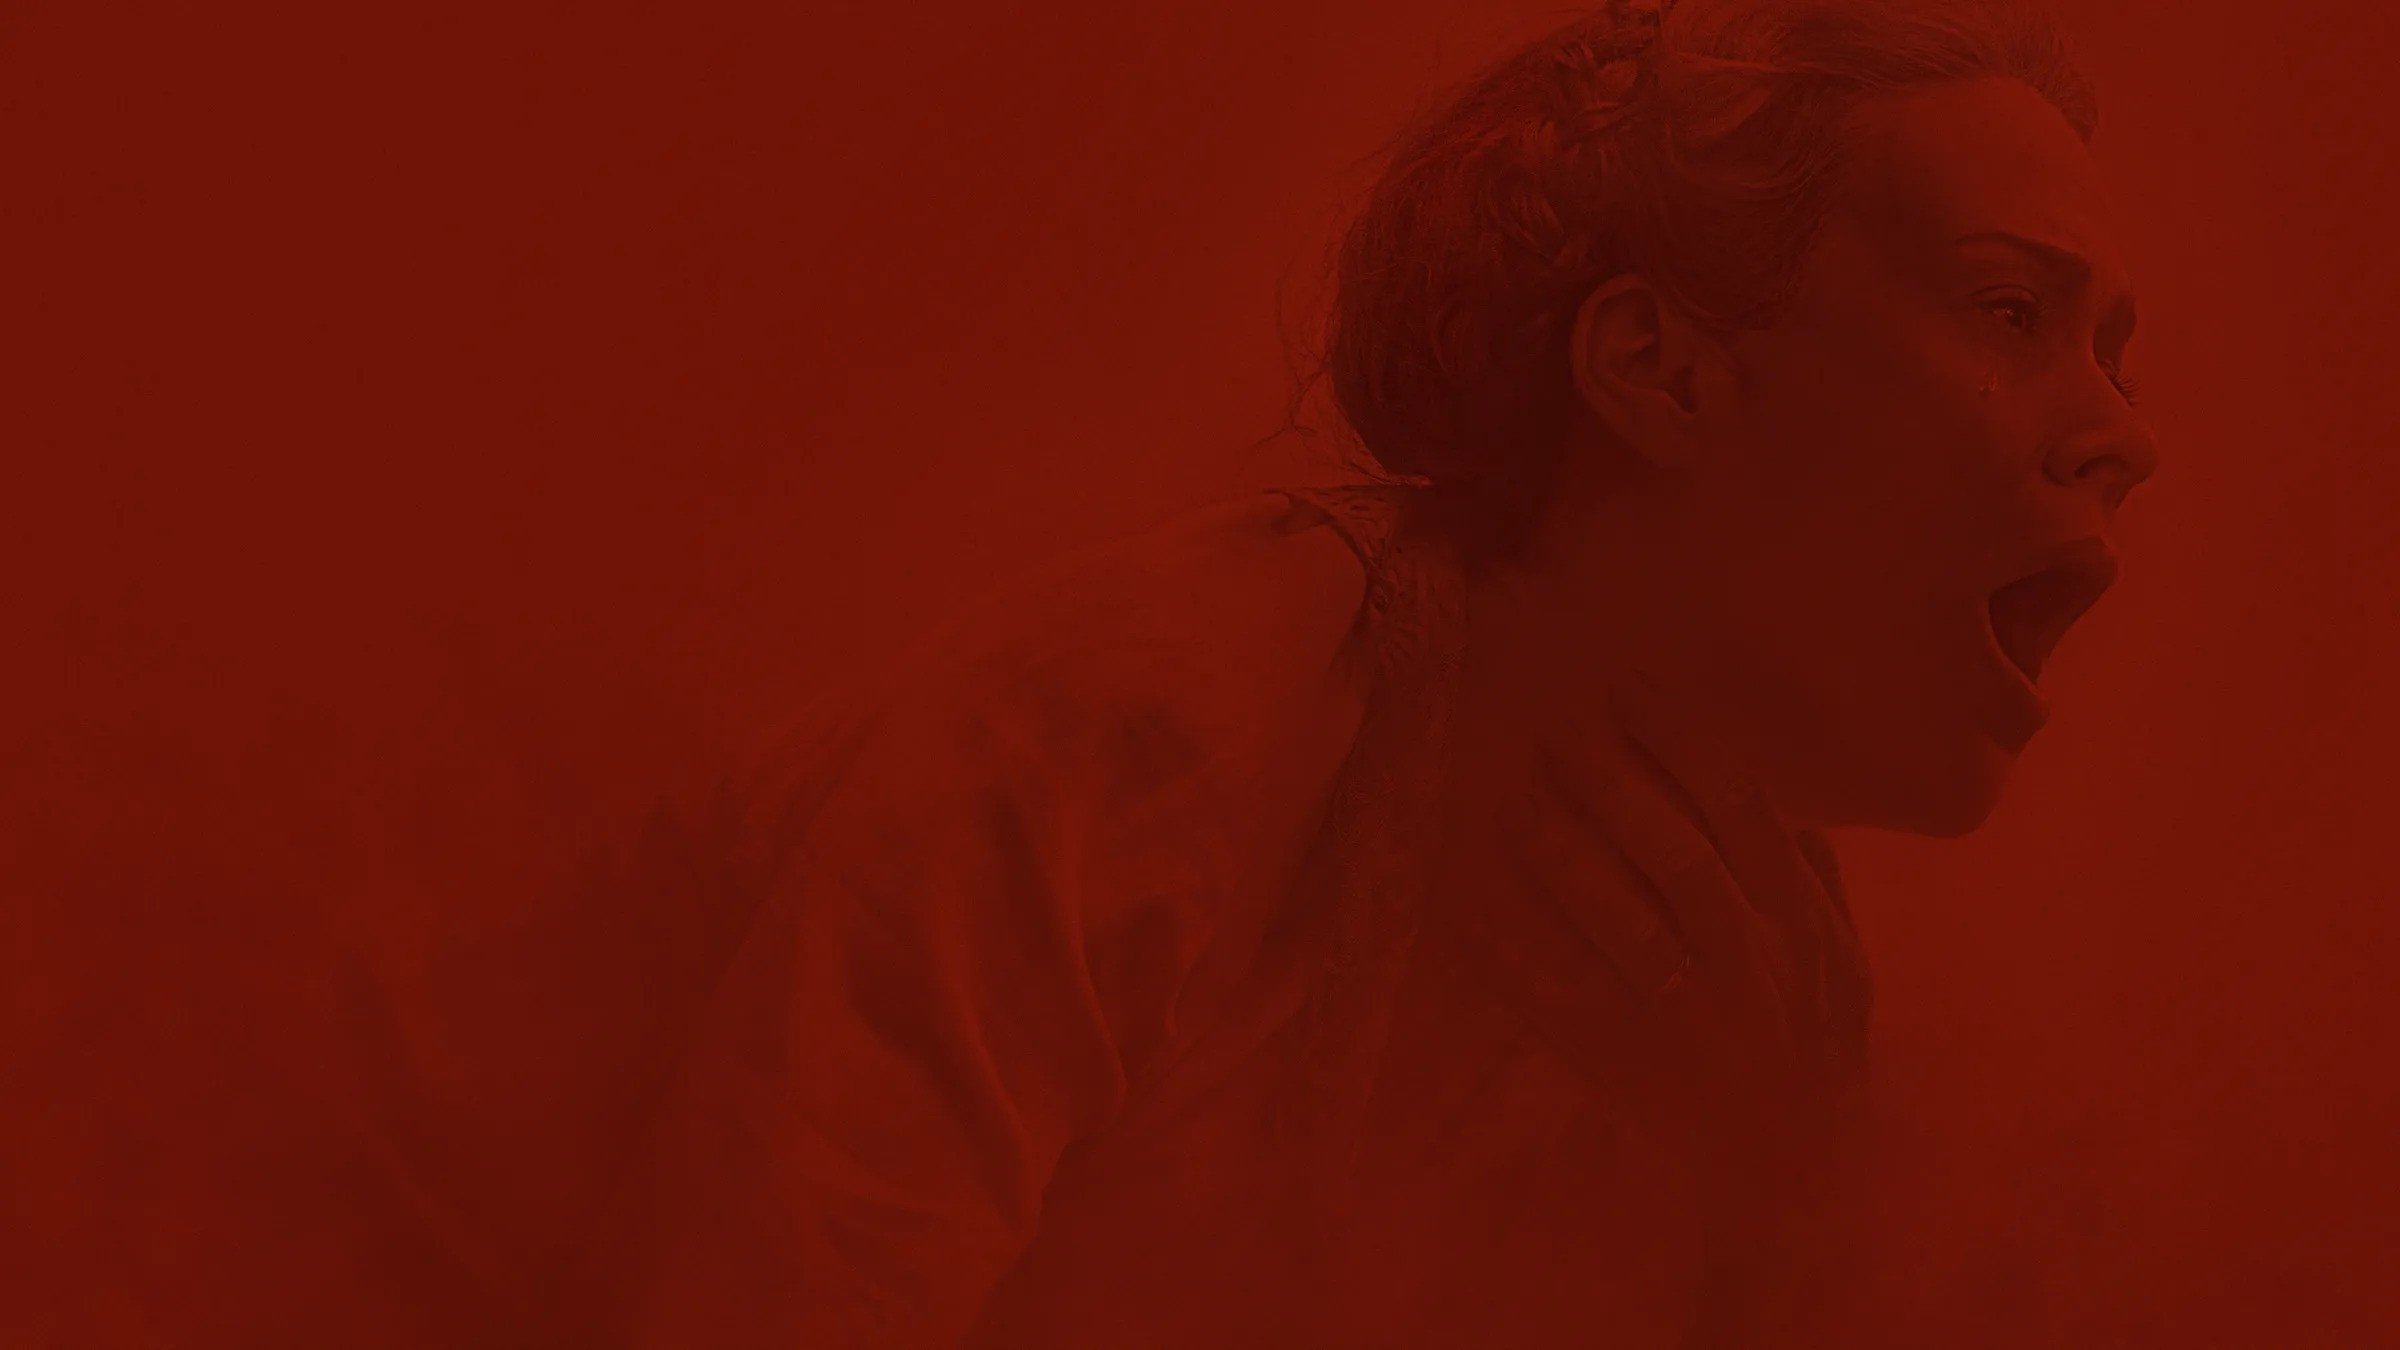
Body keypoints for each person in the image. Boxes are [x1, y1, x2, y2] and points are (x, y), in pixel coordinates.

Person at [597, 0, 2160, 1344]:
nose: (2123, 437)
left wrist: (1776, 1234)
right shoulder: (1128, 738)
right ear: (1659, 370)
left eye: (2111, 349)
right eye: (2011, 309)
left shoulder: (1755, 973)